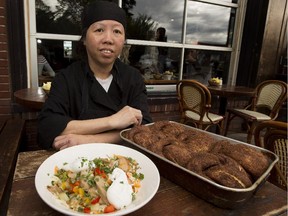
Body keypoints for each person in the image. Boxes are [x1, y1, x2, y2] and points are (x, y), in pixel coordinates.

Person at [37, 1, 152, 150]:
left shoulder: (133, 78)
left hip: (124, 164)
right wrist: (112, 121)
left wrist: (86, 140)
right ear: (84, 38)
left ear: (123, 40)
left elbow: (145, 130)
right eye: (99, 30)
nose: (108, 39)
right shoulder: (66, 78)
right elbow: (47, 128)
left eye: (117, 31)